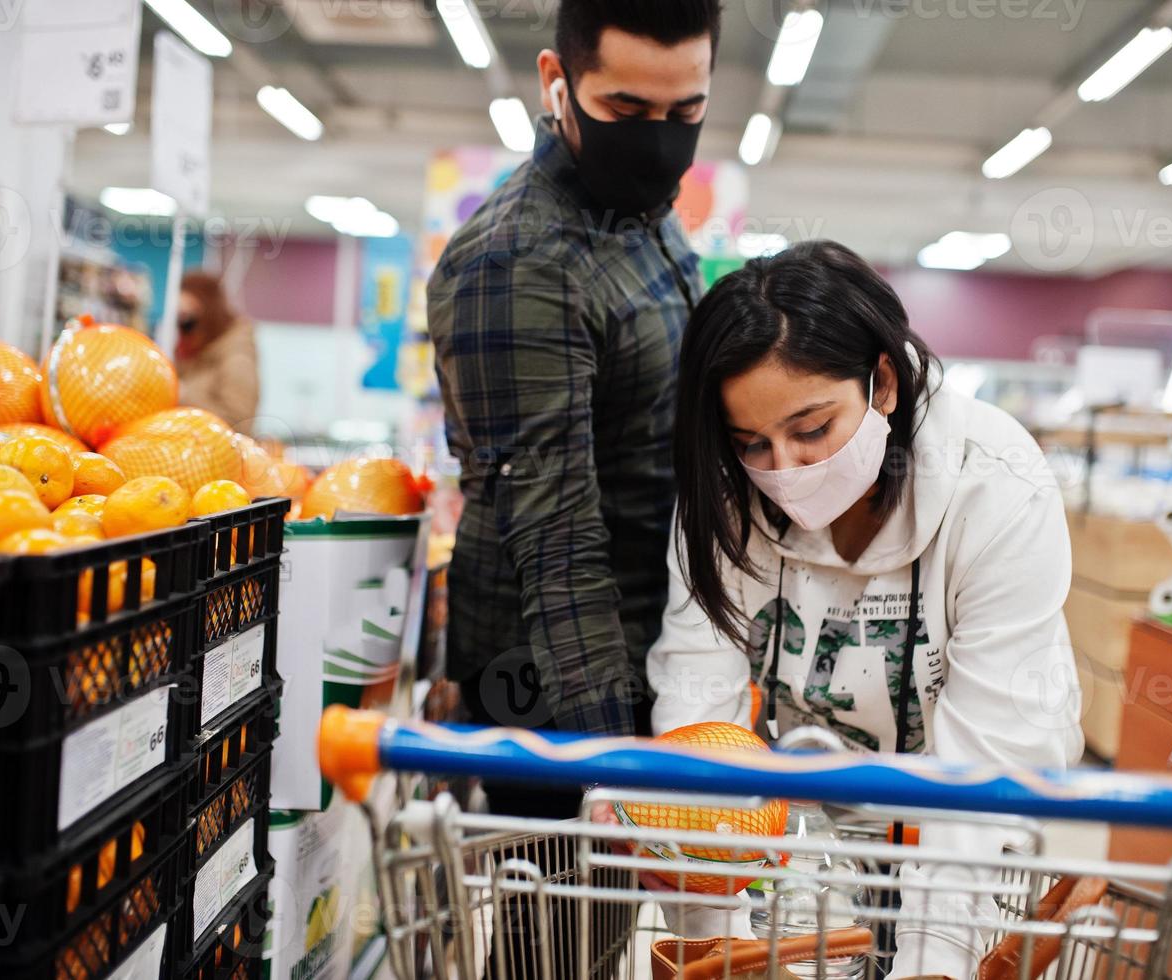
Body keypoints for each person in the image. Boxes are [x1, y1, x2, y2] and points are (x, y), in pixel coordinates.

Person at [648, 241, 1083, 978]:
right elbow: (698, 723)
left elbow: (980, 776)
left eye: (812, 429)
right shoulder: (725, 495)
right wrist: (714, 945)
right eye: (752, 441)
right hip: (812, 831)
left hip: (966, 825)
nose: (784, 471)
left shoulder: (994, 483)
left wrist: (930, 963)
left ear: (882, 382)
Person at [428, 0, 719, 819]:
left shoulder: (639, 218)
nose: (658, 138)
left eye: (684, 111)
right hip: (553, 680)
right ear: (557, 81)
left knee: (596, 931)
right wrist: (608, 766)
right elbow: (555, 539)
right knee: (551, 934)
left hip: (644, 647)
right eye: (626, 110)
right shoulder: (518, 263)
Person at [175, 271, 260, 435]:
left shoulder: (237, 358)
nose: (184, 324)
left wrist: (183, 394)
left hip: (219, 455)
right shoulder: (196, 356)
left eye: (188, 314)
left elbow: (240, 424)